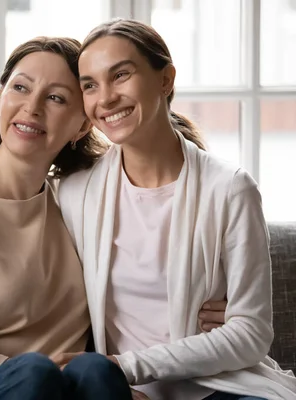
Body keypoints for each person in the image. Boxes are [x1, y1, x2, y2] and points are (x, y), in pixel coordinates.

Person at [0, 36, 226, 400]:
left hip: (70, 388)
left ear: (82, 126)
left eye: (56, 98)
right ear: (1, 97)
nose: (32, 107)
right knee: (34, 373)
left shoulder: (77, 203)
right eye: (20, 87)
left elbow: (145, 279)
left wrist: (215, 304)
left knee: (96, 371)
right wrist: (63, 386)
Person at [58, 18, 296, 400]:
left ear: (165, 79)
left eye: (120, 75)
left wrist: (128, 366)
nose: (104, 99)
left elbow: (250, 334)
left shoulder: (231, 189)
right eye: (89, 85)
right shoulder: (74, 194)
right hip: (115, 390)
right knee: (90, 374)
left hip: (221, 386)